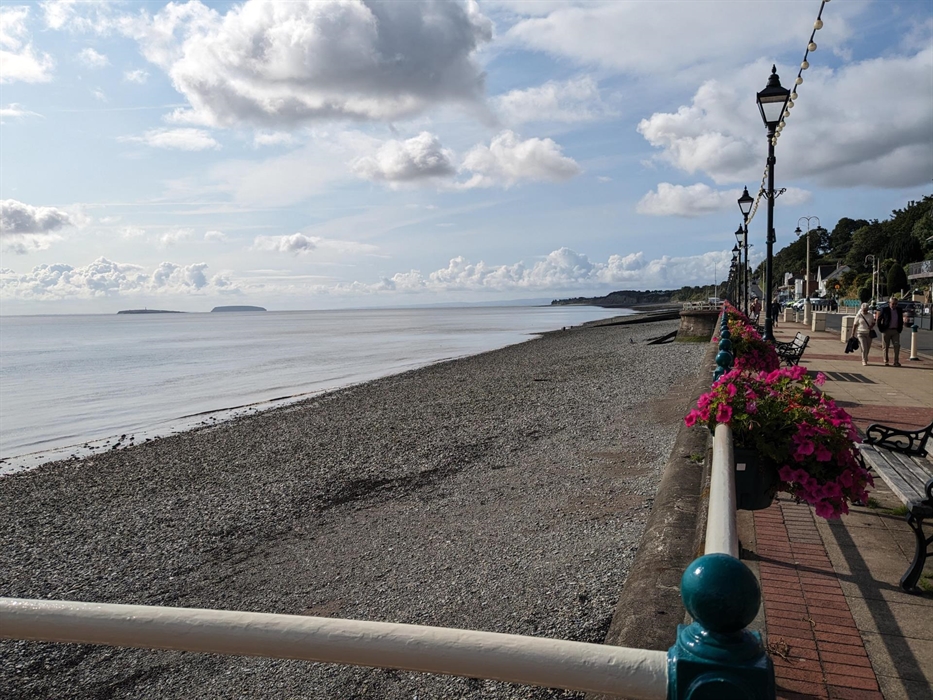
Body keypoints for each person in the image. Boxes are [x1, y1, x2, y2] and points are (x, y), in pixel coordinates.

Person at [875, 296, 905, 366]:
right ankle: (886, 360)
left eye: (896, 304)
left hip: (895, 331)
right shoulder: (884, 309)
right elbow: (879, 320)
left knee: (897, 346)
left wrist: (900, 329)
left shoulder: (899, 310)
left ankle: (896, 361)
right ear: (889, 303)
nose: (894, 305)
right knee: (885, 346)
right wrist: (881, 329)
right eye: (893, 304)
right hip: (886, 330)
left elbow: (901, 320)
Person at [852, 302, 876, 366]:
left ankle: (865, 356)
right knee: (864, 347)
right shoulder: (859, 315)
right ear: (861, 309)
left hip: (869, 333)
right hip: (860, 333)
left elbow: (873, 322)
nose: (865, 311)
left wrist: (871, 326)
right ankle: (864, 360)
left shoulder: (870, 315)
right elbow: (855, 325)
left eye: (866, 310)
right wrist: (853, 334)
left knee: (868, 347)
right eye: (863, 310)